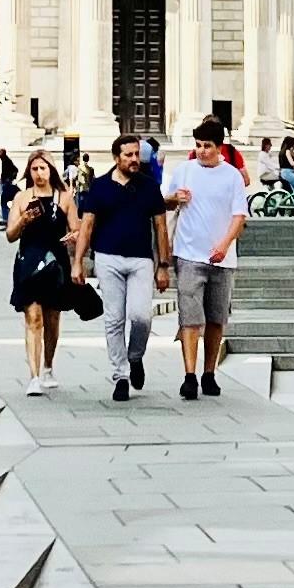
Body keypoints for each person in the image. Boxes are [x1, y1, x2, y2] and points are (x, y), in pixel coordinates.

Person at [77, 133, 171, 402]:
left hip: (141, 259)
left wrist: (163, 265)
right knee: (114, 319)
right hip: (108, 258)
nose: (134, 160)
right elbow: (87, 225)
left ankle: (135, 356)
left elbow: (161, 226)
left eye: (136, 154)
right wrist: (78, 262)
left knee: (141, 316)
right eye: (128, 155)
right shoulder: (100, 186)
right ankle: (120, 375)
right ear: (116, 157)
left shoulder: (149, 186)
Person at [164, 117, 251, 400]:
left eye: (207, 146)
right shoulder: (185, 170)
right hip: (188, 254)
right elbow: (164, 202)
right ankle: (189, 375)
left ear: (220, 147)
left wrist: (224, 245)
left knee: (216, 319)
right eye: (198, 145)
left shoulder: (232, 176)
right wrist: (175, 198)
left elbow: (239, 216)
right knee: (190, 318)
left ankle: (209, 372)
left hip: (221, 258)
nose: (202, 151)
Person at [7, 157, 78, 393]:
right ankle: (34, 376)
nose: (39, 173)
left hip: (55, 262)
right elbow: (10, 234)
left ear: (51, 170)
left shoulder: (64, 197)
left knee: (52, 318)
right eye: (34, 169)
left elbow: (76, 227)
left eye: (43, 168)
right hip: (29, 261)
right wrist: (23, 220)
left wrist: (75, 238)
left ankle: (48, 366)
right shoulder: (22, 198)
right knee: (33, 317)